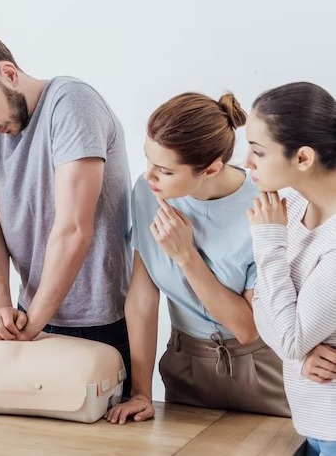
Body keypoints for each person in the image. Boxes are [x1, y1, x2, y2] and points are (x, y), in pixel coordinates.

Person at [0, 31, 132, 395]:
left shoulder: (71, 103)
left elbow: (74, 228)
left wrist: (27, 327)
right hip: (30, 316)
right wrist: (0, 311)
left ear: (8, 73)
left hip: (96, 323)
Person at [105, 92, 289, 426]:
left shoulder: (265, 207)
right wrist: (141, 393)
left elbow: (247, 328)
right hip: (185, 367)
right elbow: (143, 297)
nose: (150, 177)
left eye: (164, 170)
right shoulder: (148, 193)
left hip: (264, 370)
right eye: (148, 161)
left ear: (211, 168)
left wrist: (186, 255)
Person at [245, 82, 336, 455]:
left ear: (302, 158)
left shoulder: (277, 224)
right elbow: (257, 304)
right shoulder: (289, 205)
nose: (247, 163)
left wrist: (268, 241)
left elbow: (289, 336)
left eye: (258, 152)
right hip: (309, 419)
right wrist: (298, 357)